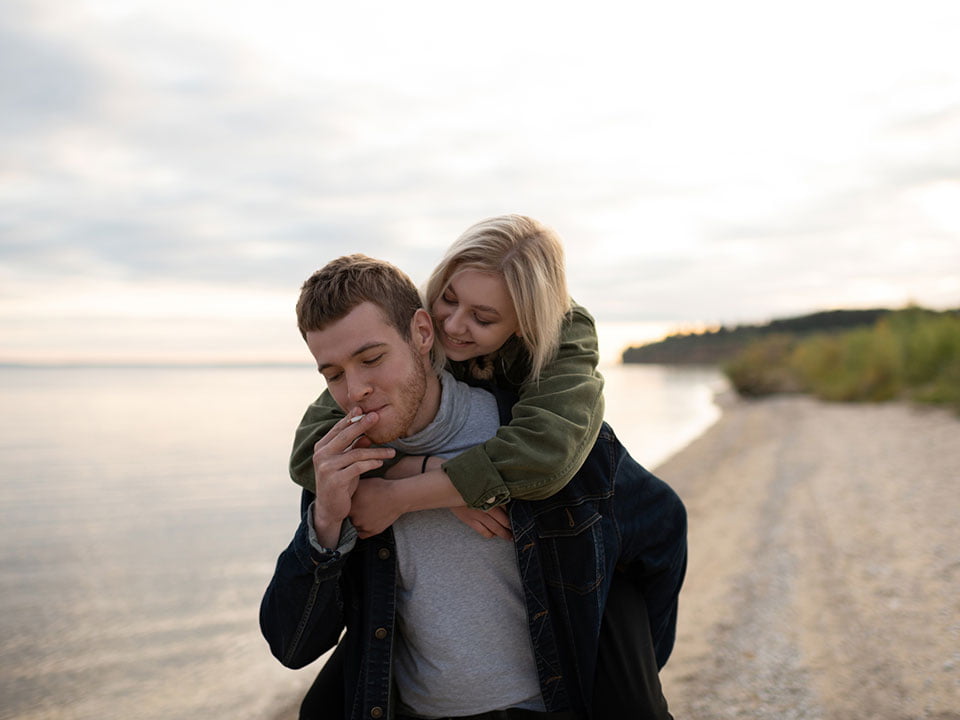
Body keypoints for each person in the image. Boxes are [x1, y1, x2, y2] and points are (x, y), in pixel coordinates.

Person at [260, 254, 685, 719]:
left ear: (422, 333)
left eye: (372, 359)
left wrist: (637, 667)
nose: (355, 389)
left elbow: (662, 528)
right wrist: (325, 522)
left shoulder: (543, 443)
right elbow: (293, 645)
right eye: (334, 374)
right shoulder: (344, 468)